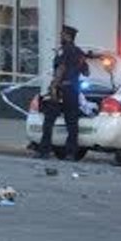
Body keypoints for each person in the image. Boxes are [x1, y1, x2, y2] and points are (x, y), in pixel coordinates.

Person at [36, 25, 89, 161]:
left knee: (49, 120)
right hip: (73, 91)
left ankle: (44, 150)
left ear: (67, 36)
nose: (60, 37)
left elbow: (61, 68)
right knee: (72, 122)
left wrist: (53, 86)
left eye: (62, 35)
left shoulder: (63, 51)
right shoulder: (79, 53)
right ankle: (71, 153)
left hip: (60, 90)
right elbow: (86, 72)